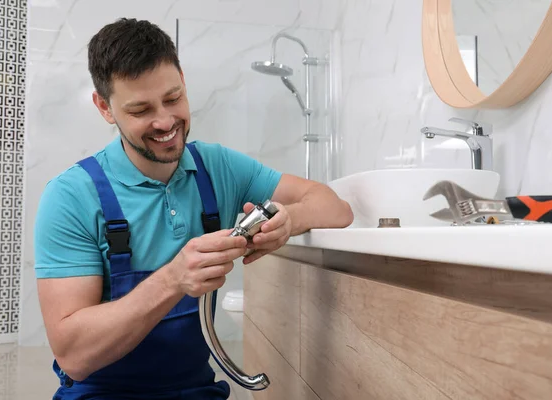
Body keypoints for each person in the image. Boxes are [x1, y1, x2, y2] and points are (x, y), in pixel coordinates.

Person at [33, 18, 353, 400]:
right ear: (105, 107)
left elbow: (336, 208)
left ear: (183, 80)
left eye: (173, 98)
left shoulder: (218, 168)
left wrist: (289, 221)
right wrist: (172, 280)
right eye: (140, 110)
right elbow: (74, 356)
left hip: (195, 391)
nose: (166, 122)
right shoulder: (71, 197)